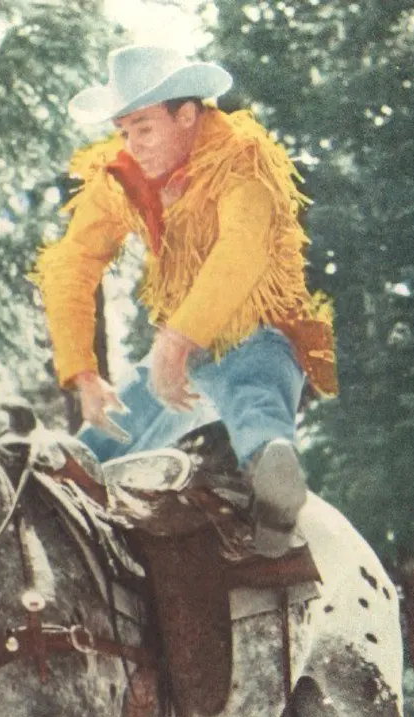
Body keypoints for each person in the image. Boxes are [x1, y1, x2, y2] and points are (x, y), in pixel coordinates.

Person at [31, 45, 337, 557]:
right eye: (123, 131)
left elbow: (241, 249)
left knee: (254, 396)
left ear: (188, 115)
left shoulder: (244, 160)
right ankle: (60, 500)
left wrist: (176, 340)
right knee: (90, 452)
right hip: (182, 355)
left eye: (144, 128)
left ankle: (273, 483)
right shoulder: (119, 176)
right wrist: (82, 371)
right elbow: (70, 264)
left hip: (261, 334)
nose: (133, 145)